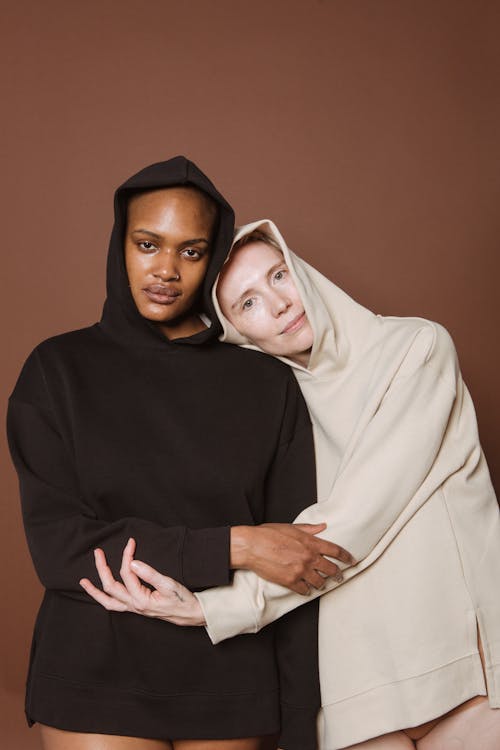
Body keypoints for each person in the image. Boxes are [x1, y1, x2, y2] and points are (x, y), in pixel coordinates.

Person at [83, 219, 500, 750]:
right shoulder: (273, 409)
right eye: (248, 304)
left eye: (279, 276)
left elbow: (358, 515)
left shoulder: (414, 347)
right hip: (354, 687)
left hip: (466, 666)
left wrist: (221, 607)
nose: (279, 304)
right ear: (234, 332)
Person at [7, 165, 355, 750]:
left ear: (214, 258)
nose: (166, 270)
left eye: (191, 251)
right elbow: (62, 547)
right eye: (148, 245)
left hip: (231, 669)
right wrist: (236, 544)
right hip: (96, 667)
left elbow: (296, 562)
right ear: (119, 243)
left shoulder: (267, 383)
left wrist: (302, 720)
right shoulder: (56, 370)